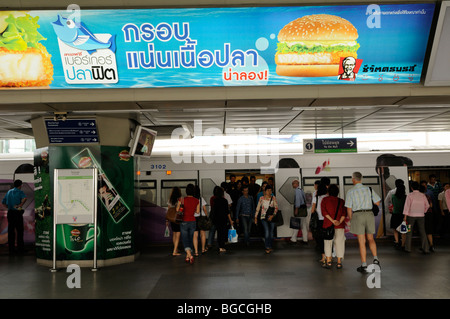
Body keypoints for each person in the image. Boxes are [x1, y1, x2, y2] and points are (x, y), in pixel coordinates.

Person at [345, 172, 381, 273]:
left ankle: (364, 265)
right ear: (361, 178)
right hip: (369, 214)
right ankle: (376, 259)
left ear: (353, 179)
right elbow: (377, 202)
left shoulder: (350, 191)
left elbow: (349, 208)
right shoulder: (368, 189)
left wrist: (352, 219)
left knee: (362, 241)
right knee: (371, 239)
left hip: (358, 215)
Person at [321, 184, 347, 269]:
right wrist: (339, 222)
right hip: (340, 226)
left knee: (328, 243)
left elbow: (324, 212)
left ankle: (328, 262)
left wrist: (332, 221)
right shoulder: (342, 201)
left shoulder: (324, 200)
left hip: (328, 225)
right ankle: (339, 262)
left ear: (328, 192)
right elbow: (344, 213)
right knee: (339, 243)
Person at [403, 181, 430, 254]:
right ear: (418, 187)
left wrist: (405, 217)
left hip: (410, 216)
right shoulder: (423, 195)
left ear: (411, 188)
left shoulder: (409, 195)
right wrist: (423, 211)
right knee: (422, 232)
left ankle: (408, 248)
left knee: (409, 232)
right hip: (421, 216)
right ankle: (426, 249)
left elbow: (407, 206)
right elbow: (427, 205)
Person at [1, 180, 27, 255]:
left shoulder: (9, 192)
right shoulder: (20, 192)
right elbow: (25, 198)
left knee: (11, 231)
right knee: (19, 231)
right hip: (17, 213)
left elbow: (3, 202)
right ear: (20, 185)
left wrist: (8, 207)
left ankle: (11, 249)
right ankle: (20, 249)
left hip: (10, 213)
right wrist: (20, 205)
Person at [177, 183, 200, 264]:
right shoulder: (197, 200)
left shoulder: (182, 200)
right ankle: (187, 257)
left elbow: (177, 210)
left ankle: (190, 255)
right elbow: (197, 212)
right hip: (193, 221)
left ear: (186, 191)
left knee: (185, 239)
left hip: (184, 221)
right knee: (190, 239)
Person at [255, 185, 279, 254]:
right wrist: (256, 217)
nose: (269, 192)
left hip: (272, 217)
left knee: (271, 233)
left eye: (270, 190)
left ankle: (270, 246)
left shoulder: (273, 198)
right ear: (265, 191)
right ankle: (267, 247)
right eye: (268, 190)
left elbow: (276, 208)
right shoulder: (261, 198)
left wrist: (272, 215)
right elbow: (258, 208)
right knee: (267, 231)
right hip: (263, 217)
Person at [211, 186, 233, 253]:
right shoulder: (225, 201)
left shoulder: (215, 200)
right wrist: (230, 220)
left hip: (217, 219)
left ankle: (219, 246)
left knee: (219, 233)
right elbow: (227, 211)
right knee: (223, 233)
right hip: (223, 219)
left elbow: (213, 210)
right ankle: (222, 247)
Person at [311, 182, 328, 264]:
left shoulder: (316, 198)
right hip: (328, 220)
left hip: (319, 221)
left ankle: (323, 256)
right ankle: (329, 256)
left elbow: (312, 210)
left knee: (320, 239)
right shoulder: (328, 197)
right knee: (328, 238)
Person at [390, 182, 407, 250]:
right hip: (402, 215)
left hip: (395, 214)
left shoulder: (393, 196)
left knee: (395, 229)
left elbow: (393, 204)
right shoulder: (405, 197)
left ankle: (396, 242)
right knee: (403, 230)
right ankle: (403, 244)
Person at [291, 179, 308, 245]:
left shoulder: (297, 191)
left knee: (296, 224)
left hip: (299, 210)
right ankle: (305, 239)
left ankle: (293, 239)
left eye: (293, 184)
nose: (292, 185)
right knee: (303, 225)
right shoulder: (301, 190)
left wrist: (296, 209)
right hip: (303, 210)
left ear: (296, 184)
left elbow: (298, 200)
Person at [193, 186, 209, 256]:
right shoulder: (201, 199)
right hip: (202, 217)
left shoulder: (192, 199)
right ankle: (203, 249)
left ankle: (196, 252)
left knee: (195, 235)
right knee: (202, 234)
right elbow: (204, 209)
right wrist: (206, 216)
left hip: (194, 218)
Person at [167, 187, 182, 256]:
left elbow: (168, 210)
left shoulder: (170, 200)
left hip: (172, 218)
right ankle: (174, 251)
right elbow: (178, 209)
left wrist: (167, 220)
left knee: (174, 234)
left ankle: (175, 249)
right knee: (178, 234)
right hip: (177, 218)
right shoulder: (180, 199)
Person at [419, 183, 434, 252]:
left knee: (422, 231)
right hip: (429, 214)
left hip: (422, 214)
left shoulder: (418, 197)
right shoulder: (427, 196)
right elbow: (431, 205)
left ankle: (424, 246)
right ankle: (431, 245)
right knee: (429, 230)